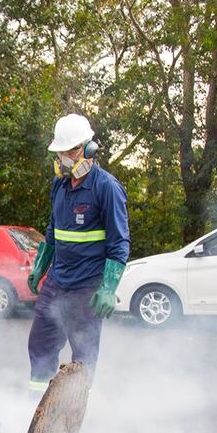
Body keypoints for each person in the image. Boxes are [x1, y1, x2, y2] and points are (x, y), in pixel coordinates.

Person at [26, 113, 129, 391]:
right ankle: (35, 409)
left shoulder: (107, 188)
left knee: (82, 357)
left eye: (69, 151)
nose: (63, 159)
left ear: (88, 149)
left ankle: (71, 415)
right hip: (57, 282)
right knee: (40, 344)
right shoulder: (59, 185)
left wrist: (108, 288)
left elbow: (119, 244)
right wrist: (40, 266)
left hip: (87, 287)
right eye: (60, 153)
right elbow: (53, 230)